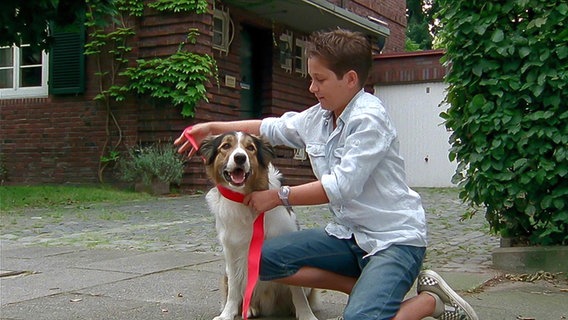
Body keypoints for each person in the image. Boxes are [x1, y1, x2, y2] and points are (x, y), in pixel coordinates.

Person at [175, 29, 478, 320]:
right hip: (348, 236)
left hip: (394, 241)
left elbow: (341, 186)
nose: (312, 87)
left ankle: (431, 301)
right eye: (311, 78)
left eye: (319, 79)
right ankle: (362, 289)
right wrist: (213, 128)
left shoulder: (369, 119)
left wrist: (279, 196)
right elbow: (272, 127)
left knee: (361, 317)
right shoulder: (319, 117)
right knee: (261, 260)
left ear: (349, 79)